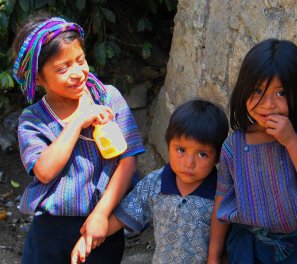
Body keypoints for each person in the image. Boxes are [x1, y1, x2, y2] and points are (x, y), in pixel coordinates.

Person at [12, 13, 145, 263]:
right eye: (63, 68)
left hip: (101, 224)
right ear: (38, 78)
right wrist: (79, 121)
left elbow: (128, 161)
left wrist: (101, 216)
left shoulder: (108, 98)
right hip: (49, 232)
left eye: (80, 60)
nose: (77, 73)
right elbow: (44, 171)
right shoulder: (33, 120)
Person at [207, 39, 297, 264]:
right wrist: (213, 255)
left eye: (280, 93)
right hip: (247, 246)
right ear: (243, 89)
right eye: (258, 90)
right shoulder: (234, 147)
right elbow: (222, 200)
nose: (268, 104)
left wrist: (291, 142)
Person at [71, 99, 229, 264]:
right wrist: (88, 238)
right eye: (181, 150)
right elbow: (126, 214)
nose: (189, 163)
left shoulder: (221, 193)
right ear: (168, 145)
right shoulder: (155, 183)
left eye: (202, 154)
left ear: (217, 156)